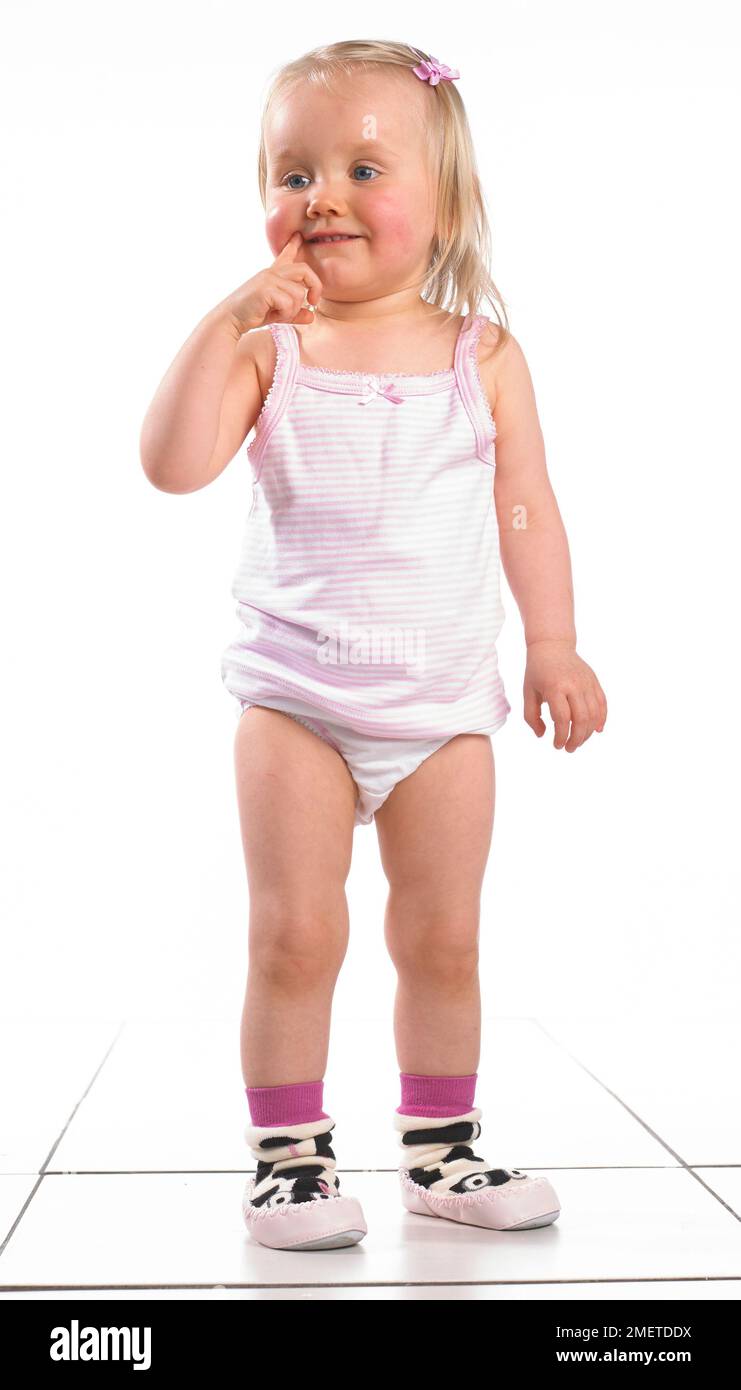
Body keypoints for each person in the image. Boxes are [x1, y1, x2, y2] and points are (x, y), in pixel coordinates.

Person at [140, 40, 607, 1252]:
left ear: (444, 202)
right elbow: (172, 463)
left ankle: (442, 1150)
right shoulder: (271, 346)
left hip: (446, 706)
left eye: (360, 167)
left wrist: (552, 640)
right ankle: (289, 1164)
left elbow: (528, 507)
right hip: (295, 700)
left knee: (442, 936)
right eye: (293, 174)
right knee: (297, 932)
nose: (322, 198)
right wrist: (228, 315)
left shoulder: (481, 355)